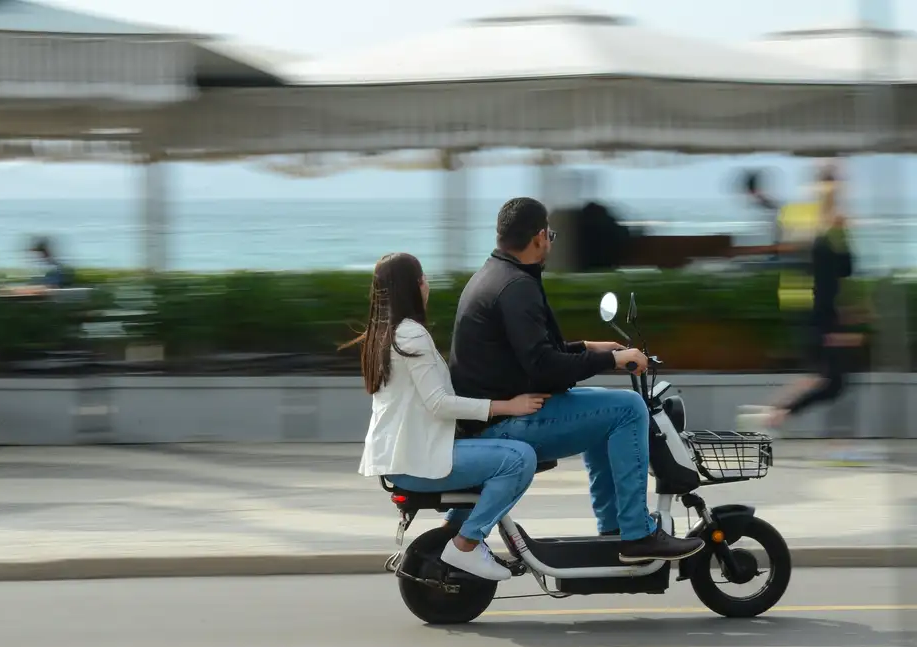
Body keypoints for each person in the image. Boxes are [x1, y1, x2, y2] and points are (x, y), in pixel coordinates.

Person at [448, 197, 705, 564]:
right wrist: (613, 359)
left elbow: (527, 353)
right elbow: (544, 366)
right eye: (549, 234)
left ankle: (616, 526)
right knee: (629, 408)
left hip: (496, 416)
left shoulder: (492, 276)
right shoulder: (516, 286)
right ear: (538, 237)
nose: (550, 242)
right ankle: (637, 533)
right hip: (508, 423)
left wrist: (588, 347)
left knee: (605, 408)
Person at [347, 252, 549, 581]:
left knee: (493, 456)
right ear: (411, 288)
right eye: (422, 278)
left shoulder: (384, 334)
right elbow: (439, 403)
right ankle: (465, 545)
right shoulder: (411, 335)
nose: (427, 284)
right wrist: (506, 406)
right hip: (417, 461)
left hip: (403, 459)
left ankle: (449, 536)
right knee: (518, 459)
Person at [737, 165, 861, 437]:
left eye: (837, 183)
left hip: (822, 306)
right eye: (831, 183)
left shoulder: (835, 222)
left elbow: (842, 270)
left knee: (828, 377)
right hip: (811, 306)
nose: (836, 190)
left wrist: (847, 308)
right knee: (832, 379)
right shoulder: (809, 217)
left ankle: (771, 416)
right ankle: (774, 418)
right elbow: (792, 247)